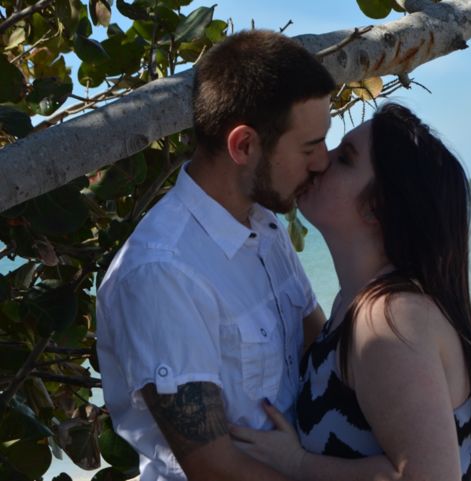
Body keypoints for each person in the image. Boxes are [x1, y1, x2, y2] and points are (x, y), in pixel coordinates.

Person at [96, 30, 336, 481]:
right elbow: (212, 467)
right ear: (243, 146)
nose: (323, 161)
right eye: (309, 147)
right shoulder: (162, 272)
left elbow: (318, 345)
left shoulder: (263, 224)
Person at [230, 103, 471, 481]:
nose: (321, 160)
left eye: (344, 158)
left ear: (375, 207)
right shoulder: (356, 303)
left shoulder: (388, 321)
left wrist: (296, 463)